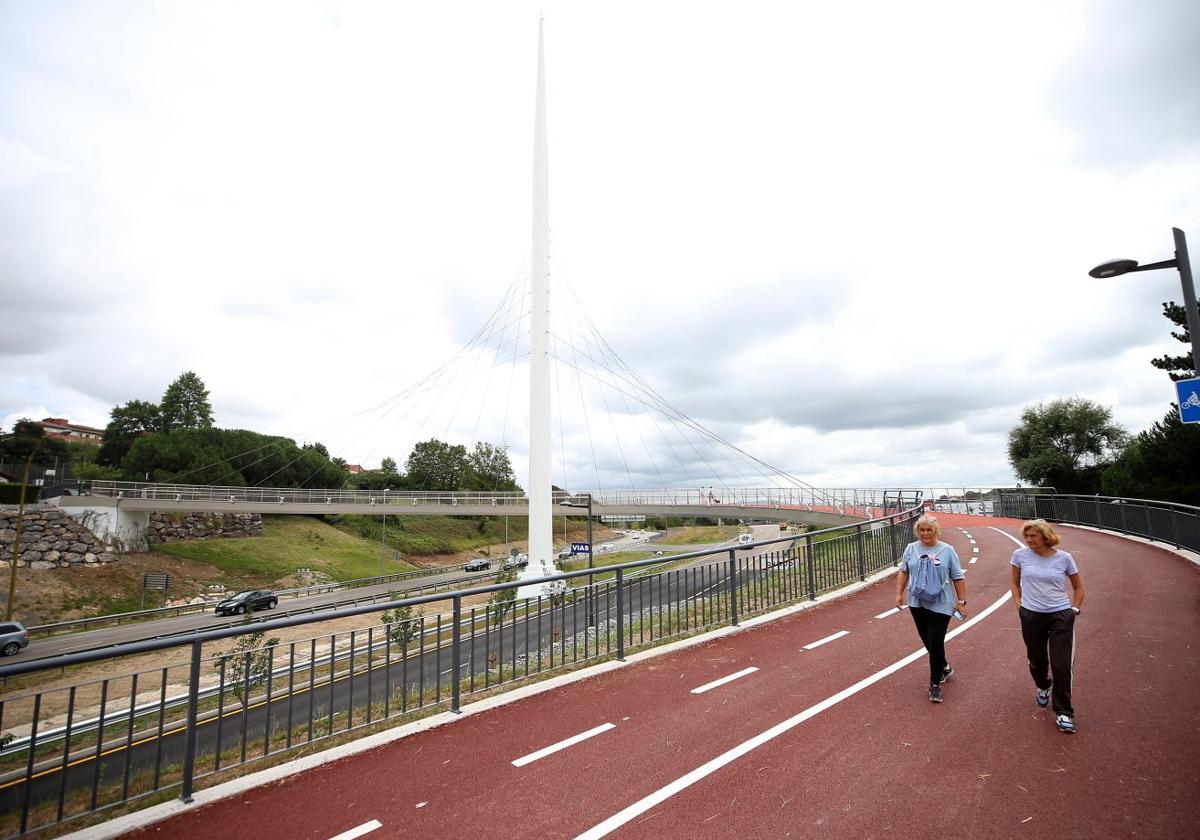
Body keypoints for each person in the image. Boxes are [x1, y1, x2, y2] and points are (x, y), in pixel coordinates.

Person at [1010, 519, 1085, 734]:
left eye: (1033, 535)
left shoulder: (1064, 558)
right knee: (1037, 661)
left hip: (1060, 615)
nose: (1029, 539)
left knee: (1061, 665)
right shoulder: (1020, 555)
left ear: (1046, 536)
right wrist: (1020, 607)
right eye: (1027, 536)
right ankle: (1043, 685)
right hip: (1031, 615)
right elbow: (1014, 583)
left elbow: (1078, 587)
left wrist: (1074, 610)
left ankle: (1064, 712)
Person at [895, 514, 967, 703]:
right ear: (917, 531)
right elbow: (904, 571)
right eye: (922, 530)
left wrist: (961, 601)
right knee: (928, 641)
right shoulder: (911, 549)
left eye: (929, 530)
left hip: (941, 604)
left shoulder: (947, 550)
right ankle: (943, 665)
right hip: (917, 603)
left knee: (935, 641)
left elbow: (958, 577)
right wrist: (899, 594)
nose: (925, 533)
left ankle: (934, 684)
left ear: (935, 531)